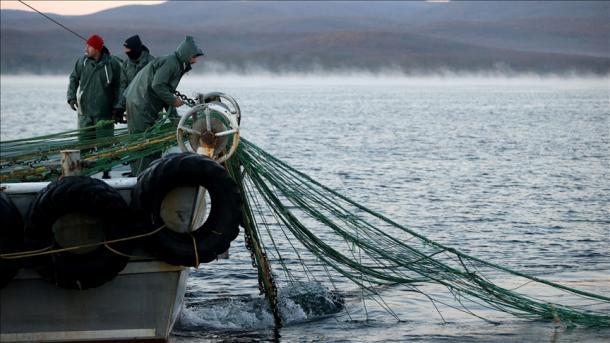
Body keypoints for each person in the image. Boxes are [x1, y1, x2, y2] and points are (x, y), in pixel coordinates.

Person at [124, 35, 204, 175]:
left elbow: (166, 90)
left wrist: (174, 119)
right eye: (194, 56)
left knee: (150, 140)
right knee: (143, 141)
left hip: (142, 102)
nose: (196, 60)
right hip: (140, 102)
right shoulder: (172, 63)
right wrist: (173, 101)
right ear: (186, 54)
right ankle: (141, 175)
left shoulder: (177, 64)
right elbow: (158, 85)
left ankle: (148, 172)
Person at [67, 34, 122, 178]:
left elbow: (120, 86)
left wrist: (118, 106)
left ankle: (106, 173)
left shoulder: (112, 64)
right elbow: (73, 79)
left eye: (89, 46)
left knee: (105, 145)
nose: (86, 48)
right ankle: (84, 175)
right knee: (84, 145)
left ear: (97, 48)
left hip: (104, 113)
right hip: (84, 113)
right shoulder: (82, 62)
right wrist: (71, 97)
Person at [113, 35, 155, 124]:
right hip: (132, 111)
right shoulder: (126, 65)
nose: (125, 52)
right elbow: (123, 88)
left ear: (134, 48)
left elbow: (158, 87)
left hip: (151, 111)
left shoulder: (152, 63)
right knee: (135, 137)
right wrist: (120, 108)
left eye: (127, 49)